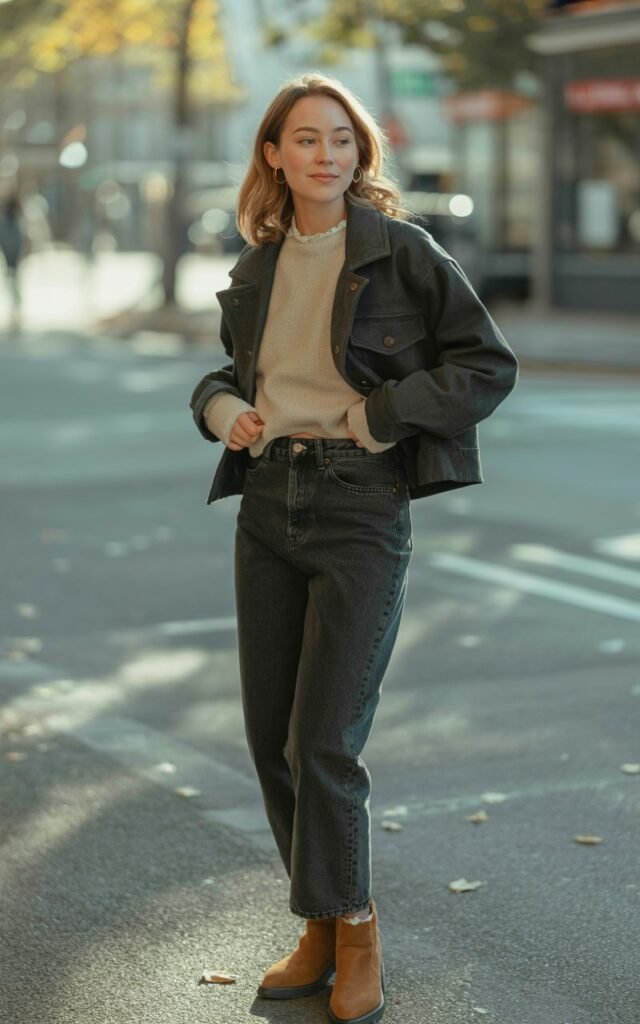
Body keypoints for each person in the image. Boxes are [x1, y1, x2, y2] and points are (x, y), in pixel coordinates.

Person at [190, 73, 518, 1024]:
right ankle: (321, 925)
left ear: (359, 154)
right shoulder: (255, 267)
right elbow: (229, 369)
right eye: (305, 139)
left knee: (324, 738)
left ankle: (357, 925)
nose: (325, 154)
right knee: (270, 740)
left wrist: (381, 416)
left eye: (341, 138)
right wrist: (222, 409)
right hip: (268, 503)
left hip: (360, 504)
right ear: (273, 155)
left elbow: (484, 363)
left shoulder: (401, 251)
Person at [0, 193, 24, 330]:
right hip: (11, 253)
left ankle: (16, 304)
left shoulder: (10, 221)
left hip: (11, 253)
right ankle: (15, 304)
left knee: (13, 279)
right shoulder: (9, 221)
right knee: (13, 279)